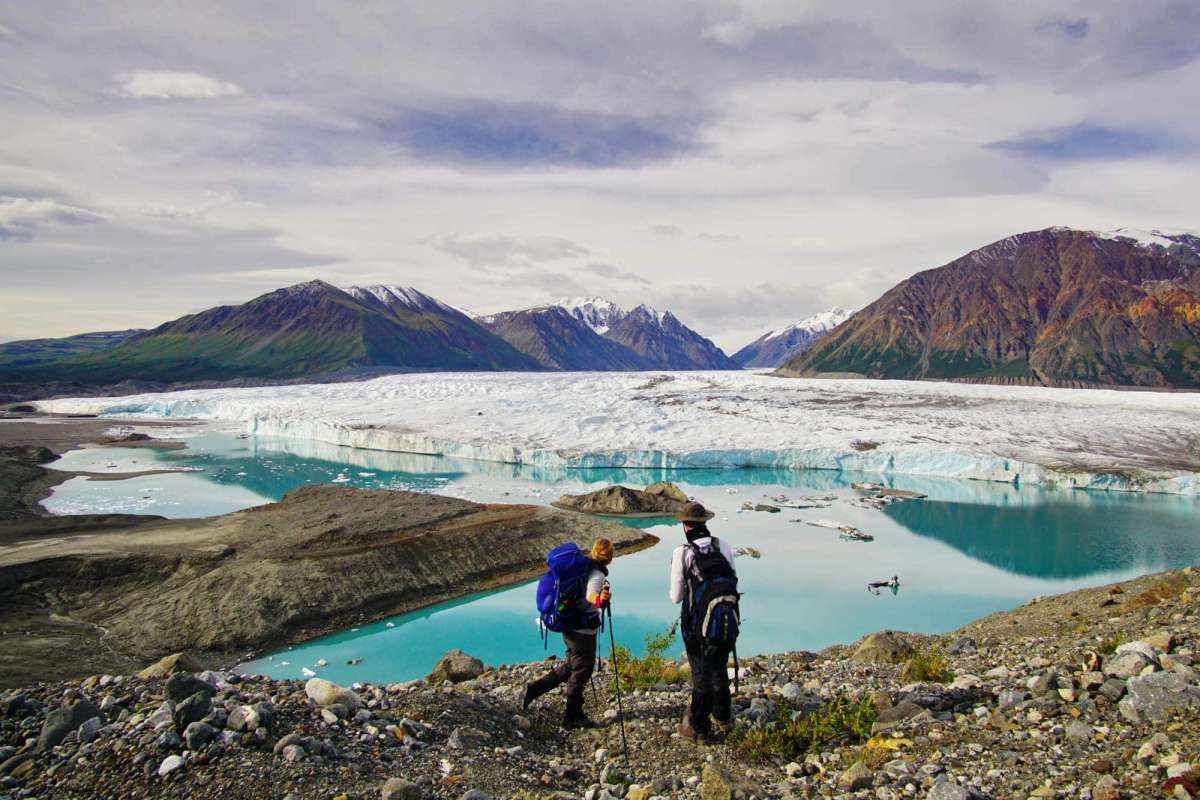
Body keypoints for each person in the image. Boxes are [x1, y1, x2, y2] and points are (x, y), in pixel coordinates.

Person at [522, 538, 613, 728]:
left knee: (572, 665)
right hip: (582, 630)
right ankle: (573, 716)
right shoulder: (596, 575)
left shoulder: (583, 567)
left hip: (569, 625)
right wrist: (600, 600)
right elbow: (590, 596)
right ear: (610, 558)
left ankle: (533, 689)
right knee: (582, 669)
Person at [669, 501, 737, 743]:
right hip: (727, 621)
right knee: (719, 666)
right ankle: (723, 715)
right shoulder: (722, 545)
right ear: (705, 522)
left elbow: (675, 597)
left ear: (685, 526)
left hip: (696, 626)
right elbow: (733, 579)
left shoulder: (683, 552)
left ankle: (698, 726)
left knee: (701, 674)